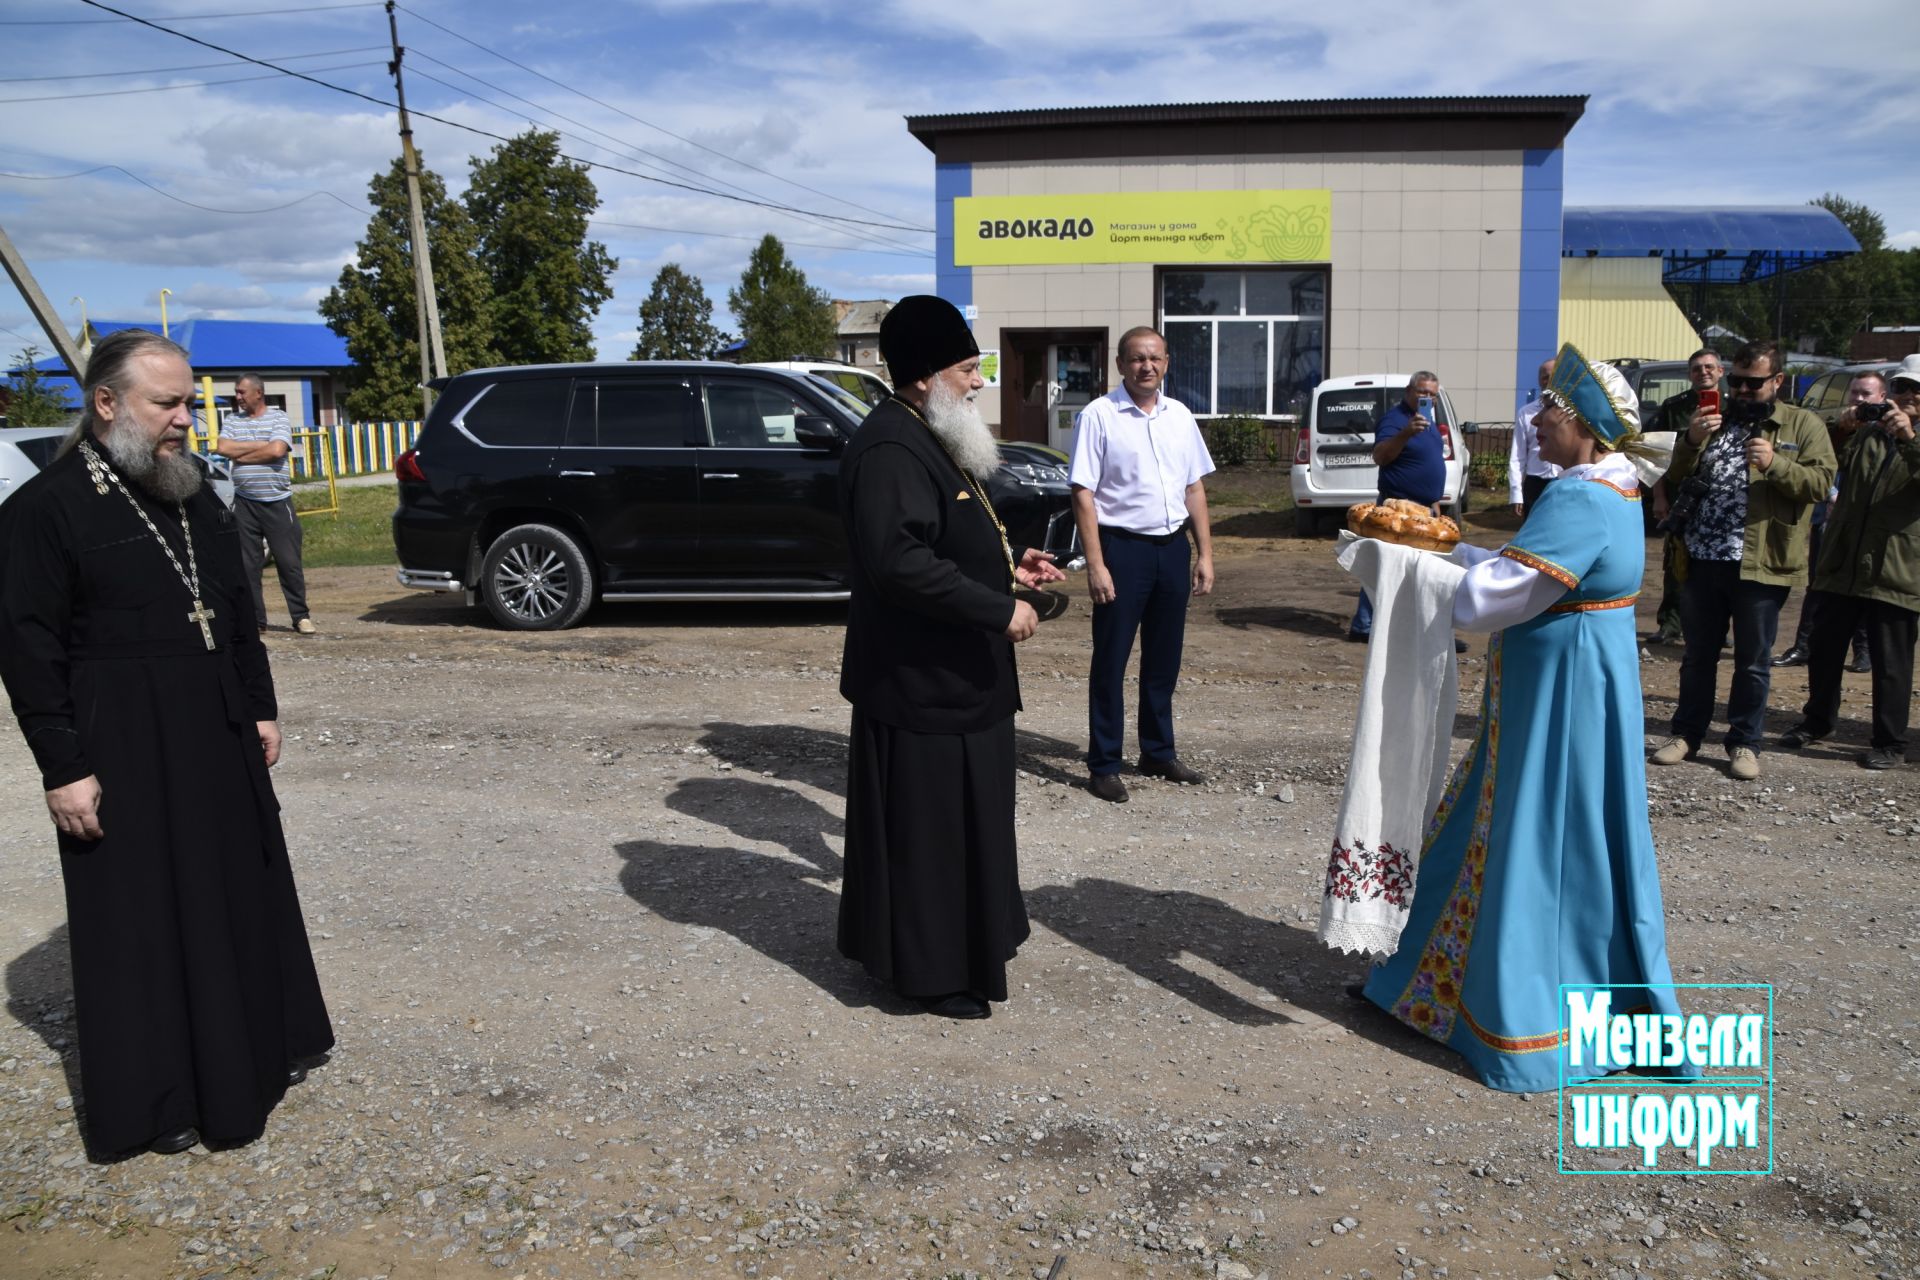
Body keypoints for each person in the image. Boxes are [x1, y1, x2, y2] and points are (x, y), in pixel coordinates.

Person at [0, 329, 333, 1157]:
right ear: (106, 404)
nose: (187, 419)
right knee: (146, 919)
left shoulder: (192, 494)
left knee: (232, 893)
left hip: (217, 729)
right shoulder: (43, 510)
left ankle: (251, 1058)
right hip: (122, 741)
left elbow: (235, 611)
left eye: (192, 402)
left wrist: (260, 707)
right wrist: (64, 765)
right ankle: (163, 1098)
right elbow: (26, 643)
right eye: (168, 404)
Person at [1354, 343, 1686, 1093]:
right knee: (1524, 827)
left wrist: (1400, 563)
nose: (1535, 423)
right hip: (1577, 683)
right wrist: (1452, 547)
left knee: (1534, 837)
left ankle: (1514, 1018)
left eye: (1550, 412)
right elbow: (1514, 569)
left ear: (1584, 425)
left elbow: (1490, 600)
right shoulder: (1615, 488)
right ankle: (1425, 981)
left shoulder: (1579, 497)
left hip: (1558, 694)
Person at [836, 295, 1065, 1020]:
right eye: (968, 369)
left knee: (969, 828)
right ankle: (932, 974)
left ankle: (964, 949)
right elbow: (897, 561)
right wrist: (999, 609)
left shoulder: (928, 434)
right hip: (920, 684)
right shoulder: (889, 446)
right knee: (932, 837)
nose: (978, 383)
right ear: (924, 374)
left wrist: (1008, 568)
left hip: (958, 679)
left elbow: (949, 535)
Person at [1650, 341, 1834, 781]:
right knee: (1697, 655)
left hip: (1760, 562)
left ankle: (1744, 743)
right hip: (1701, 559)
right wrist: (1692, 440)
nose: (1744, 389)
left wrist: (1776, 464)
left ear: (1777, 381)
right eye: (1738, 381)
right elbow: (1673, 475)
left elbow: (1821, 482)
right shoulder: (1714, 420)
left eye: (1754, 382)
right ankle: (1686, 734)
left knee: (1753, 660)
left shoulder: (1802, 424)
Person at [1068, 326, 1215, 803]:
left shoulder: (1180, 416)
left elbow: (1194, 488)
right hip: (1121, 550)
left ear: (1167, 362)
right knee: (1111, 659)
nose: (1145, 366)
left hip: (1172, 549)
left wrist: (1205, 553)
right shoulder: (1099, 416)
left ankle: (1157, 751)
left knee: (1163, 658)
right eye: (1135, 359)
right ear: (1120, 365)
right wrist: (1096, 564)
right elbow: (1083, 494)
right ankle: (1105, 763)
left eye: (1154, 358)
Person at [1777, 357, 1920, 770]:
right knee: (1823, 651)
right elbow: (1825, 464)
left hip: (1897, 568)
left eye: (1916, 390)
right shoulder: (1871, 433)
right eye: (1901, 388)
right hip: (1843, 563)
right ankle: (1817, 721)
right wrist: (1843, 428)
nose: (1908, 396)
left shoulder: (1910, 436)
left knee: (1892, 665)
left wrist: (1909, 438)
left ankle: (1890, 742)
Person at [1774, 370, 1882, 673]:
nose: (1859, 400)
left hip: (1870, 527)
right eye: (1855, 393)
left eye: (1867, 394)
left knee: (1863, 589)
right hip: (1833, 521)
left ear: (1882, 398)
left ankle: (1863, 652)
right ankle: (1803, 646)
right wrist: (1842, 432)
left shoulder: (1888, 432)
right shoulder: (1836, 427)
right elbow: (1821, 463)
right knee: (1818, 587)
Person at [1352, 372, 1464, 653]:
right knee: (1388, 566)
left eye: (1433, 394)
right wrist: (1406, 433)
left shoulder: (1430, 423)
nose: (1428, 398)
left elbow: (1430, 463)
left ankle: (1419, 627)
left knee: (1424, 570)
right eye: (1423, 393)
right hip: (1397, 506)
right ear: (1409, 391)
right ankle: (1364, 625)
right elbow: (1380, 455)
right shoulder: (1396, 420)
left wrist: (1435, 504)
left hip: (1426, 508)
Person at [217, 374, 313, 634]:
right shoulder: (232, 420)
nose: (237, 397)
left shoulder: (278, 417)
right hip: (245, 503)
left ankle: (300, 616)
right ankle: (256, 620)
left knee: (288, 562)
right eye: (236, 392)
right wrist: (262, 445)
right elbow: (223, 447)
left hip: (277, 502)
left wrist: (244, 453)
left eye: (241, 392)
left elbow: (277, 451)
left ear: (258, 393)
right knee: (248, 565)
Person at [1647, 349, 1723, 645]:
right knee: (1676, 561)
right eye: (1696, 369)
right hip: (1683, 496)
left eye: (1708, 367)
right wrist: (1659, 497)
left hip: (1721, 499)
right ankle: (1670, 623)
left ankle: (1716, 626)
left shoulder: (1735, 408)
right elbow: (1657, 455)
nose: (1703, 372)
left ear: (1720, 372)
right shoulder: (1674, 408)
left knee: (1720, 566)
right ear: (1689, 375)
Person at [1507, 358, 1559, 517]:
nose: (1548, 381)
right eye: (1544, 377)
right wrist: (1517, 493)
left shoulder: (1573, 412)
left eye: (1554, 376)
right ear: (1539, 380)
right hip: (1535, 484)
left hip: (1564, 480)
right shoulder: (1526, 413)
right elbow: (1517, 455)